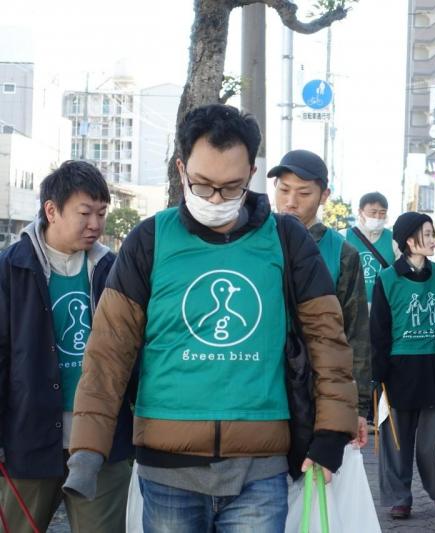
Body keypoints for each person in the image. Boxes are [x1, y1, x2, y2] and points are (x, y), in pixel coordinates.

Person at [62, 104, 357, 532]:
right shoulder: (150, 240)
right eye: (202, 185)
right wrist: (86, 452)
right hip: (167, 471)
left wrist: (331, 433)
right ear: (182, 169)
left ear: (251, 173)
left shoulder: (286, 239)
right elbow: (109, 351)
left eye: (231, 187)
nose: (216, 199)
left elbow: (328, 340)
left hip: (260, 466)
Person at [0, 161, 134, 532]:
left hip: (103, 442)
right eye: (85, 213)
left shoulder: (114, 269)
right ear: (51, 210)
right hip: (27, 439)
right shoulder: (11, 269)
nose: (95, 224)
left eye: (102, 213)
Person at [270, 149, 370, 448]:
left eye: (303, 193)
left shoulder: (342, 253)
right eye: (283, 190)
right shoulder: (256, 243)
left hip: (317, 387)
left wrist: (358, 406)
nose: (291, 201)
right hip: (262, 382)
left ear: (324, 195)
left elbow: (356, 333)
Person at [370, 211, 435, 520]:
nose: (432, 239)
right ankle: (400, 498)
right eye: (427, 233)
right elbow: (378, 330)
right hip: (398, 372)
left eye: (432, 232)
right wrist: (377, 372)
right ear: (409, 240)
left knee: (431, 443)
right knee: (396, 443)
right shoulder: (387, 279)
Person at [343, 192, 399, 306]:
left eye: (382, 213)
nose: (377, 217)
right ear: (360, 212)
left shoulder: (394, 239)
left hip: (384, 307)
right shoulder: (343, 236)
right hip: (351, 307)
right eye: (373, 212)